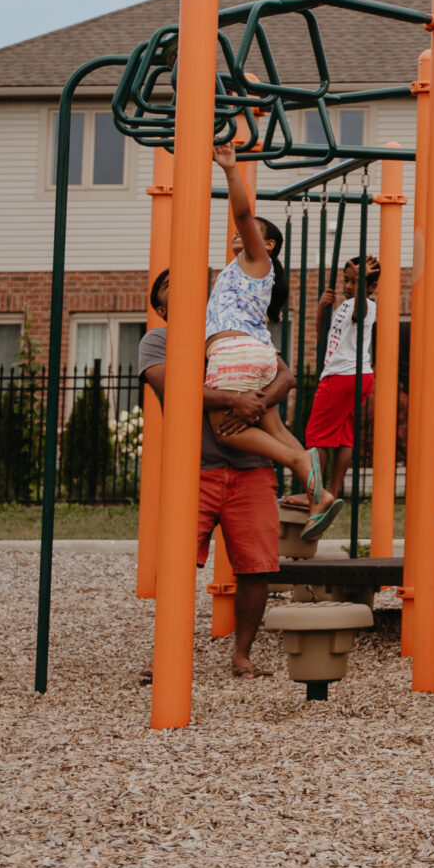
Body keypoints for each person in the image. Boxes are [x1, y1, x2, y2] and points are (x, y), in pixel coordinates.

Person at [139, 274, 296, 679]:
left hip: (252, 470)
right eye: (170, 285)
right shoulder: (158, 342)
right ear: (161, 307)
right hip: (193, 471)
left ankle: (242, 655)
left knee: (257, 567)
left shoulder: (236, 330)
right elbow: (173, 388)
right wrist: (233, 399)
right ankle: (168, 653)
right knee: (176, 564)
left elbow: (284, 375)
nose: (186, 286)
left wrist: (255, 404)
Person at [199, 139, 340, 527]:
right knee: (275, 427)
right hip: (258, 353)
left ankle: (297, 462)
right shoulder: (241, 271)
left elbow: (243, 212)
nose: (238, 233)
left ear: (268, 244)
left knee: (225, 431)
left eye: (250, 232)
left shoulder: (256, 259)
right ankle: (320, 495)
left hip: (235, 353)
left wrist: (230, 168)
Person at [305, 255, 380, 498]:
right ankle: (332, 492)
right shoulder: (343, 306)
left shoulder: (366, 306)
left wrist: (359, 283)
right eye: (346, 280)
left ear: (370, 287)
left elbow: (361, 309)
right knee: (343, 437)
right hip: (352, 376)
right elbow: (324, 340)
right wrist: (320, 311)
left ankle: (316, 495)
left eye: (355, 282)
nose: (348, 286)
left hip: (343, 376)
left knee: (316, 436)